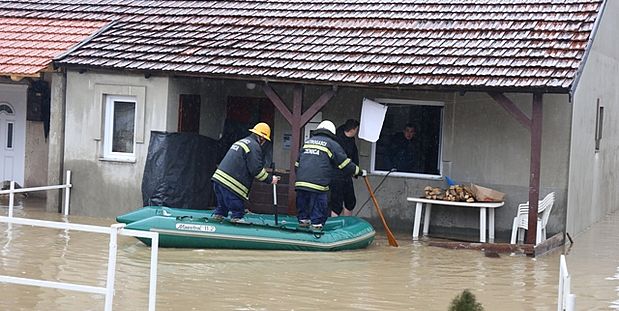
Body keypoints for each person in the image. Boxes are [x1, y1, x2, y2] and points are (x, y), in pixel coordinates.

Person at [295, 120, 365, 230]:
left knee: (303, 214)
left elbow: (297, 164)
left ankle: (302, 230)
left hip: (300, 184)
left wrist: (302, 178)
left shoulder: (307, 142)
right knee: (319, 212)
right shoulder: (331, 144)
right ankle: (316, 231)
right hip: (318, 185)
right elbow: (345, 163)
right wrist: (359, 171)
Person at [211, 122, 279, 223]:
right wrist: (270, 179)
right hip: (231, 184)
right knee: (237, 210)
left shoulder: (242, 142)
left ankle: (217, 219)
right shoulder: (254, 147)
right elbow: (256, 170)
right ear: (262, 138)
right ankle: (237, 222)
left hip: (218, 180)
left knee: (222, 207)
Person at [330, 119, 360, 217]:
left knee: (350, 200)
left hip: (347, 175)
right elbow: (341, 160)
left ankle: (347, 223)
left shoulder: (351, 140)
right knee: (336, 203)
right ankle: (335, 224)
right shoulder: (336, 140)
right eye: (357, 130)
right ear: (353, 130)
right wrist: (356, 170)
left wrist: (355, 170)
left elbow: (354, 154)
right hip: (335, 175)